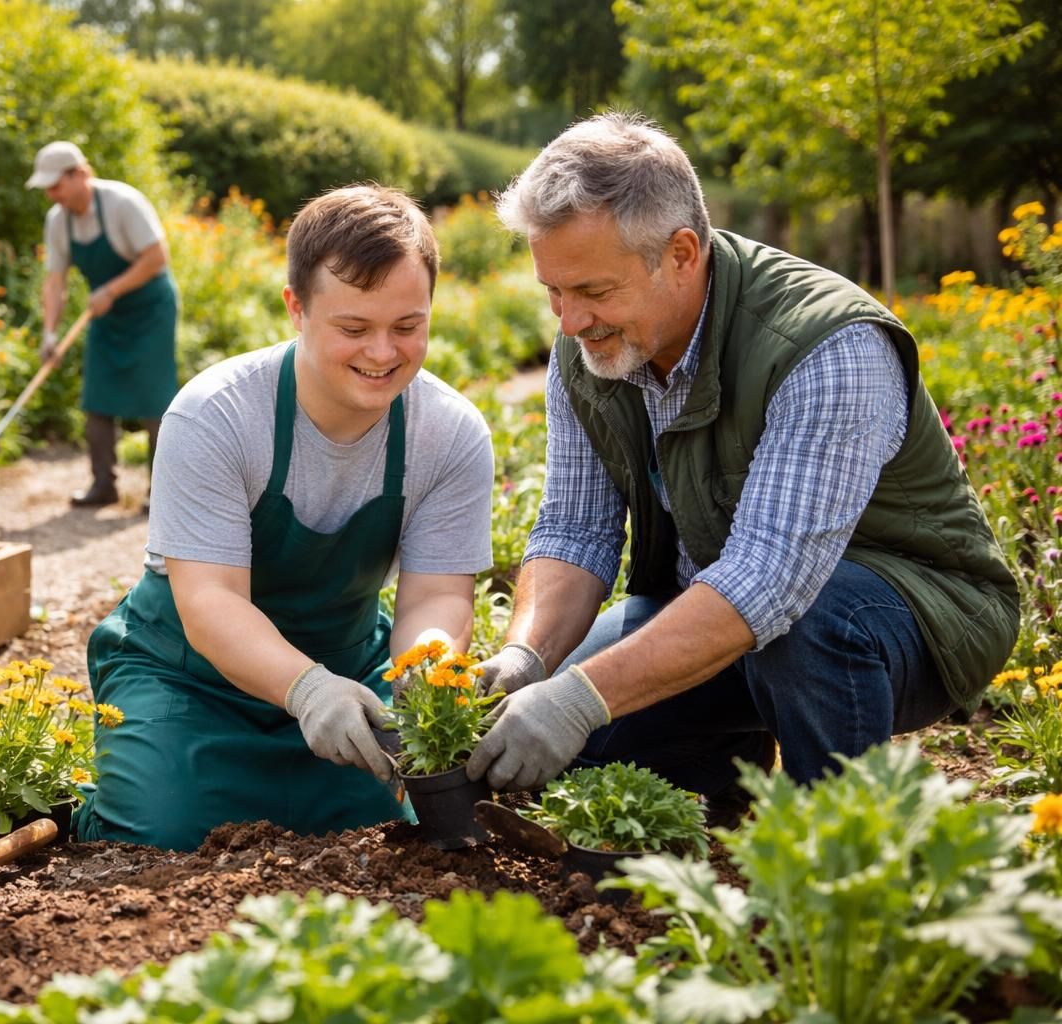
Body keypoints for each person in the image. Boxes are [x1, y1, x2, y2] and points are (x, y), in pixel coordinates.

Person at [466, 112, 1019, 806]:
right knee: (562, 745)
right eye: (553, 290)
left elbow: (770, 581)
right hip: (726, 608)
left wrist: (581, 698)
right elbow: (575, 532)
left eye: (594, 292)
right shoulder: (589, 350)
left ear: (681, 254)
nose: (569, 320)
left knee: (808, 627)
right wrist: (528, 660)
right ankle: (718, 798)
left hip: (912, 613)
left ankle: (844, 851)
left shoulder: (826, 345)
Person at [75, 185, 496, 850]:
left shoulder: (447, 433)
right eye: (354, 328)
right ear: (295, 309)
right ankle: (126, 775)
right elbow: (210, 599)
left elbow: (438, 595)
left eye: (408, 327)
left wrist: (423, 676)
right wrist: (304, 690)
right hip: (190, 675)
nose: (383, 353)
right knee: (158, 834)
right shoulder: (215, 416)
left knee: (390, 830)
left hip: (346, 670)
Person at [29, 141, 179, 508]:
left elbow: (157, 257)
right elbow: (55, 281)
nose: (52, 195)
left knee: (154, 397)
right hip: (106, 313)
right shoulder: (58, 221)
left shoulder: (122, 203)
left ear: (80, 174)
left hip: (149, 309)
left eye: (56, 186)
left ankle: (161, 493)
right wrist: (49, 333)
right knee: (97, 395)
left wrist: (112, 289)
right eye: (47, 188)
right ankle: (103, 485)